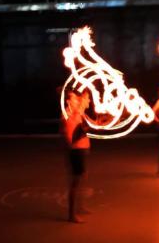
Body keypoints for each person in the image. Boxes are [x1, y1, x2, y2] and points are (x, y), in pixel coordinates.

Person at [61, 88, 91, 223]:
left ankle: (81, 207)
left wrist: (106, 120)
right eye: (74, 98)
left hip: (82, 149)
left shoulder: (78, 114)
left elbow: (90, 125)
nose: (78, 100)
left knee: (83, 178)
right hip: (76, 151)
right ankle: (71, 215)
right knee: (75, 182)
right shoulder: (67, 115)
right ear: (68, 101)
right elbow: (69, 137)